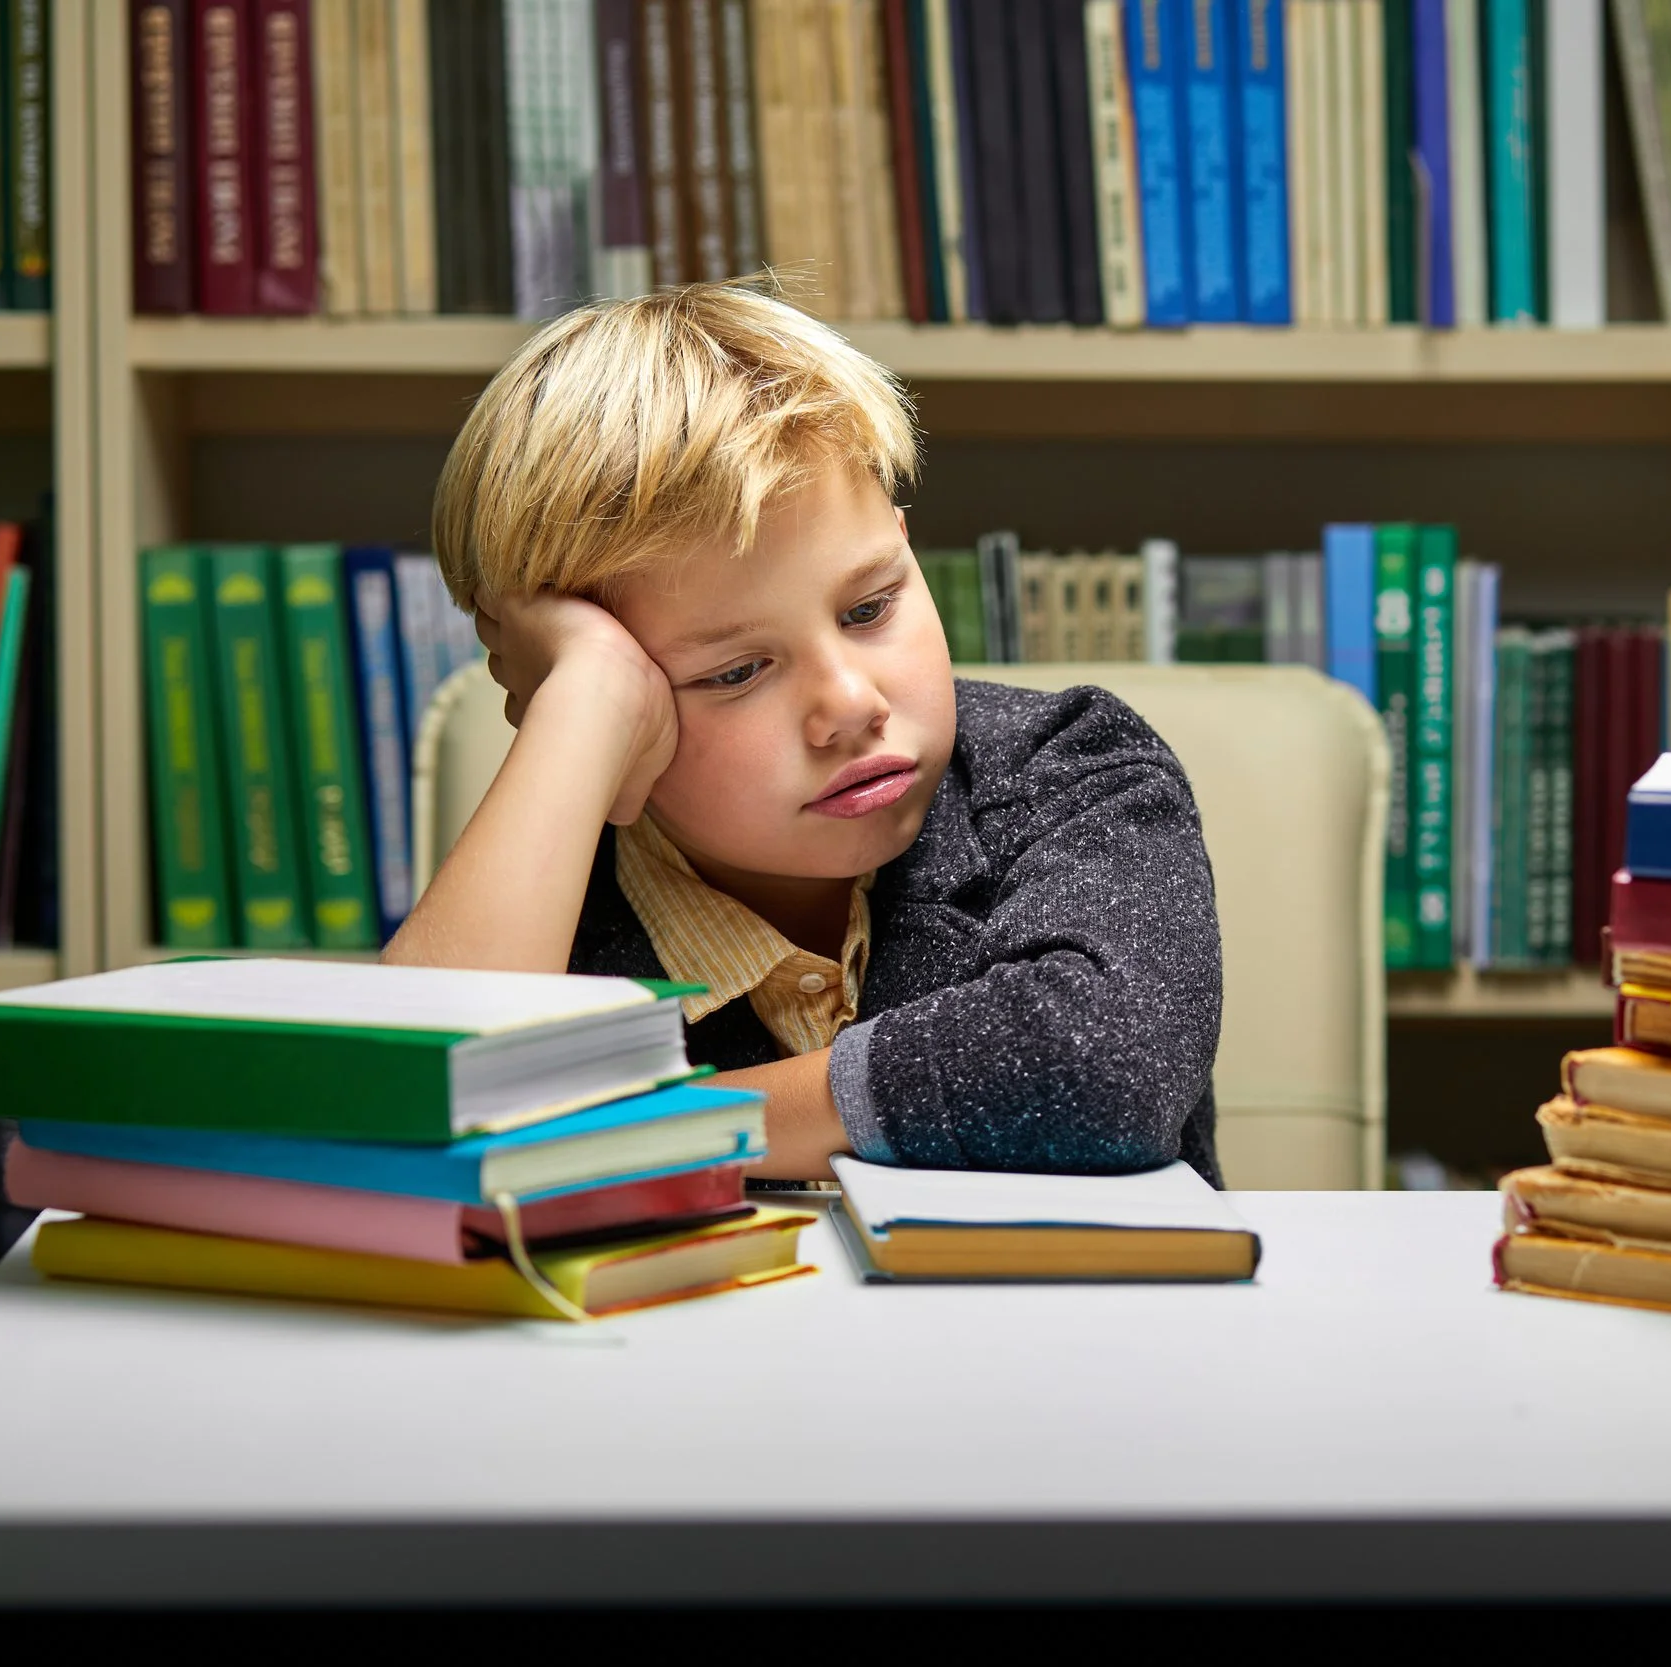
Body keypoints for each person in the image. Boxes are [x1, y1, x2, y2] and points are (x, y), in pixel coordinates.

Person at [386, 280, 1222, 1185]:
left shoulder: (1073, 763)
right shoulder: (545, 892)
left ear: (905, 543)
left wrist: (629, 1131)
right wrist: (584, 694)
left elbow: (1102, 1067)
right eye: (737, 671)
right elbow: (396, 1112)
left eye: (869, 607)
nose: (850, 704)